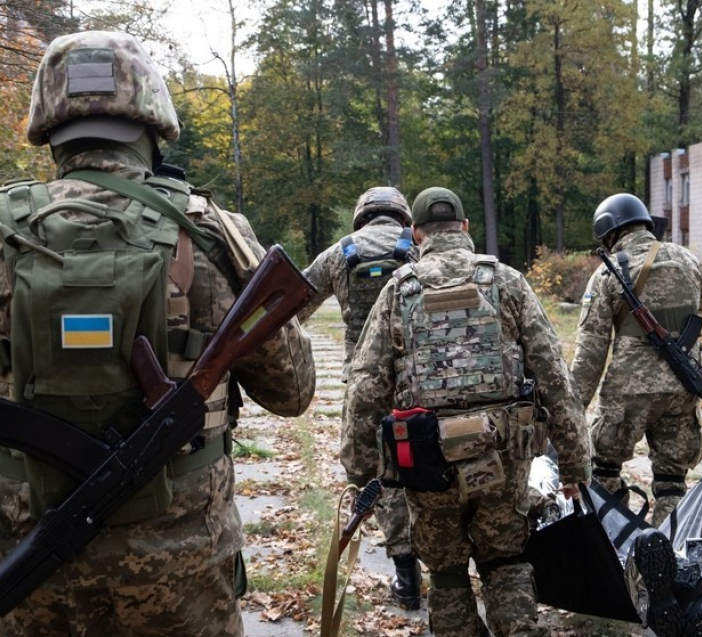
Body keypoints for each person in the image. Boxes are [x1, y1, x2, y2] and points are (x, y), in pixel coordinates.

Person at [0, 31, 315, 637]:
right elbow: (293, 391)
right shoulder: (210, 229)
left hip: (27, 558)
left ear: (47, 125)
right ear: (152, 119)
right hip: (183, 567)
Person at [342, 186, 590, 636]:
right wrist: (575, 462)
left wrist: (360, 473)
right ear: (466, 228)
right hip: (503, 455)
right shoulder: (508, 282)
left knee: (447, 571)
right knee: (505, 557)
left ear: (415, 233)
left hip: (427, 462)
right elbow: (556, 377)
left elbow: (364, 389)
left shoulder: (399, 291)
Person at [297, 186, 421, 609]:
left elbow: (295, 309)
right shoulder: (417, 250)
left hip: (365, 384)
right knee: (428, 464)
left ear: (361, 216)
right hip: (418, 383)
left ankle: (406, 576)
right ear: (403, 216)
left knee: (378, 474)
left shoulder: (340, 252)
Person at [571, 193, 702, 527]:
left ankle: (623, 537)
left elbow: (590, 353)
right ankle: (670, 554)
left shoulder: (607, 275)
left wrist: (571, 412)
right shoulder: (687, 259)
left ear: (608, 232)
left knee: (603, 469)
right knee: (672, 480)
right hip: (683, 387)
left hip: (629, 393)